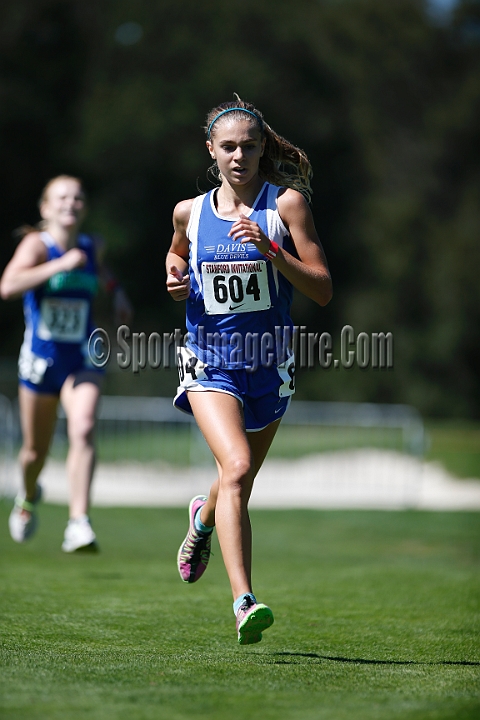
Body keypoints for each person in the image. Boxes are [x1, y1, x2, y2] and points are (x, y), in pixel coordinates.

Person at [166, 96, 332, 644]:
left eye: (250, 146)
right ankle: (244, 602)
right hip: (209, 361)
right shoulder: (189, 212)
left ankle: (202, 519)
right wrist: (174, 271)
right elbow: (176, 255)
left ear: (263, 149)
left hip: (268, 364)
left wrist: (273, 253)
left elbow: (323, 289)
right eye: (229, 146)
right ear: (211, 151)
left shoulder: (285, 206)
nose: (239, 155)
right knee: (235, 466)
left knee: (238, 480)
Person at [0, 175, 132, 552]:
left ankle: (79, 522)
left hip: (81, 358)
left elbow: (101, 273)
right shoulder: (36, 245)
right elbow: (8, 286)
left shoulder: (93, 246)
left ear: (84, 207)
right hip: (41, 361)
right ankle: (27, 499)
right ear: (45, 208)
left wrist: (117, 292)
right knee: (33, 453)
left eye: (77, 198)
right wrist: (59, 267)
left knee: (84, 426)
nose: (70, 204)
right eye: (61, 198)